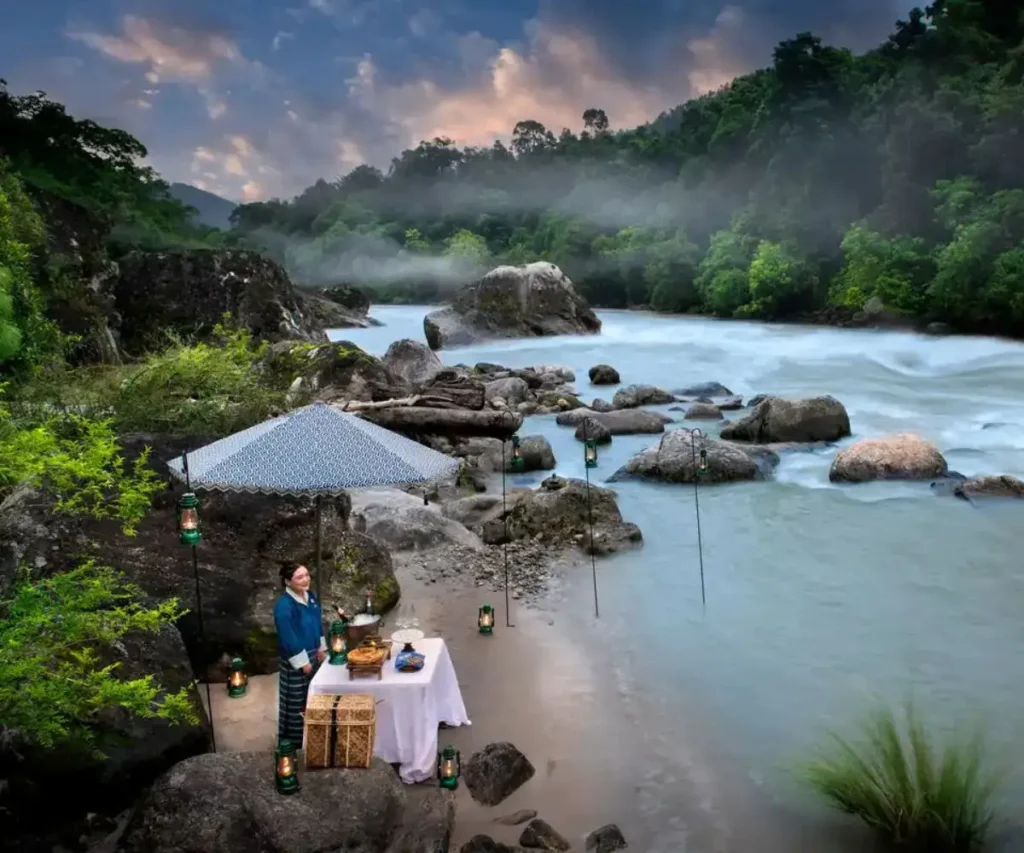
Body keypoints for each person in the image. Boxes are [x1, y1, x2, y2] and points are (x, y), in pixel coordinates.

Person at [274, 562, 327, 747]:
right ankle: (295, 742)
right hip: (296, 658)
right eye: (300, 577)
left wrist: (322, 648)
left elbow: (318, 623)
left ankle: (315, 734)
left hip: (315, 653)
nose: (306, 580)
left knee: (313, 695)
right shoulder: (284, 606)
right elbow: (288, 637)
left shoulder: (310, 597)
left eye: (307, 575)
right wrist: (303, 662)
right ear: (288, 581)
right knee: (297, 701)